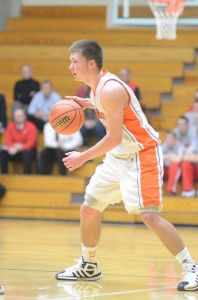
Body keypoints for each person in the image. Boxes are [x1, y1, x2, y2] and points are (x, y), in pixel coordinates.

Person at [55, 39, 198, 291]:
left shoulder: (110, 89)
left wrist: (82, 157)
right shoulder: (96, 89)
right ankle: (89, 265)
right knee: (89, 209)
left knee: (149, 215)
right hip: (117, 157)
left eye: (74, 61)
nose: (70, 66)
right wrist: (86, 105)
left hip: (141, 155)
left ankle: (191, 267)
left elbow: (114, 137)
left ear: (91, 63)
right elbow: (109, 114)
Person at [0, 108, 37, 174]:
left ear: (24, 117)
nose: (18, 118)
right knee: (3, 154)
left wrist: (21, 147)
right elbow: (8, 140)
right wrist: (13, 147)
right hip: (13, 150)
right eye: (16, 116)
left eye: (20, 116)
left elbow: (31, 143)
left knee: (27, 154)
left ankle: (27, 176)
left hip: (27, 150)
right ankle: (4, 175)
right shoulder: (10, 126)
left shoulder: (31, 126)